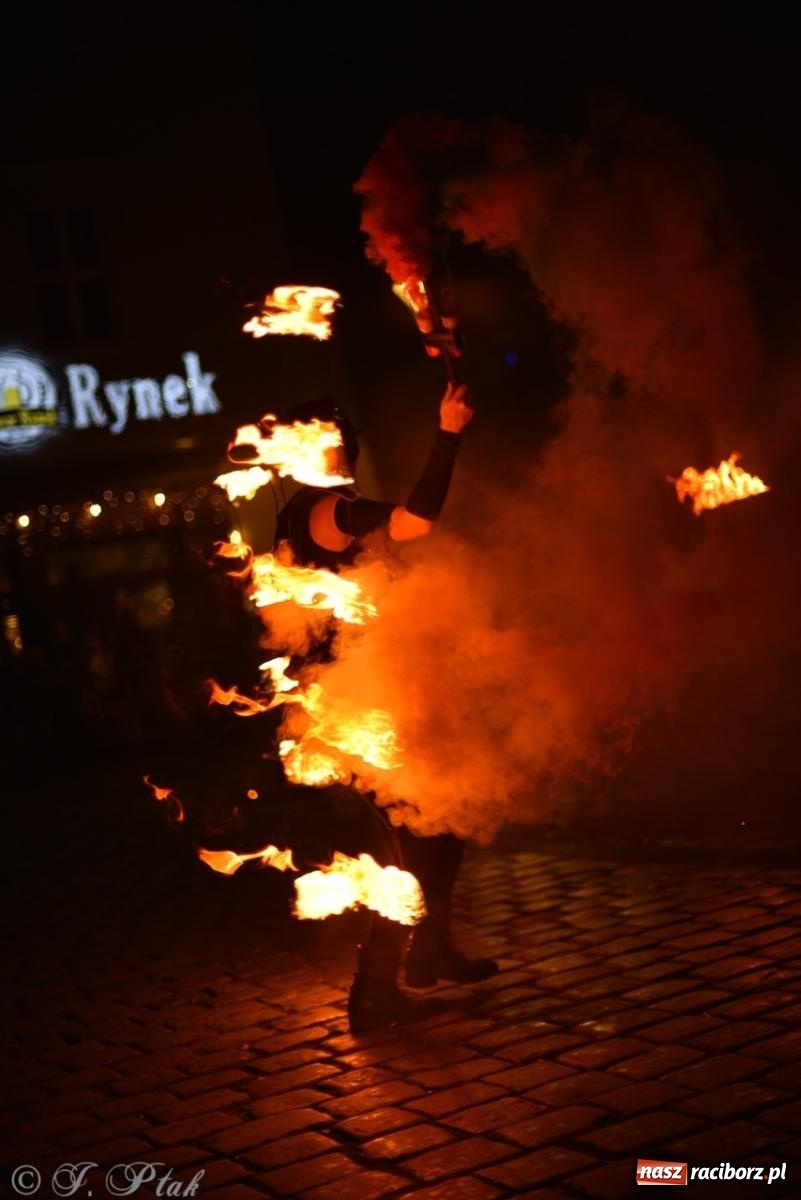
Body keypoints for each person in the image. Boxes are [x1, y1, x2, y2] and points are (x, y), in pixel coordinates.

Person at [275, 382, 498, 1032]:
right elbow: (415, 522)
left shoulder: (301, 511)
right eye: (338, 441)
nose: (346, 449)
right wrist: (449, 432)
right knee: (400, 851)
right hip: (351, 709)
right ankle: (372, 994)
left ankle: (429, 952)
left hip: (359, 698)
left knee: (441, 824)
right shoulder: (326, 512)